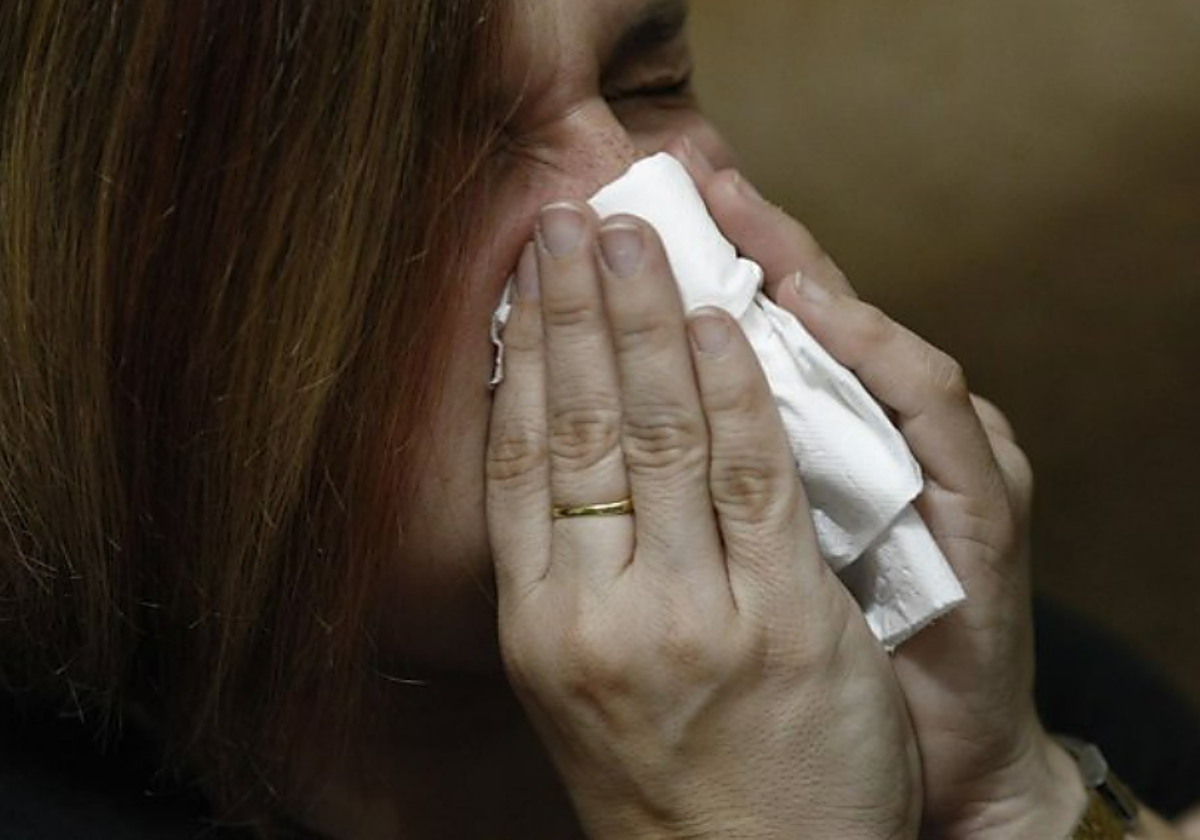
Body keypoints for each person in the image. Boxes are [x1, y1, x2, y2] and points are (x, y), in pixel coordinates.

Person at [0, 1, 1196, 837]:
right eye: (434, 162)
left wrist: (1013, 800)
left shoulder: (931, 655)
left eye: (651, 83)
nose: (636, 205)